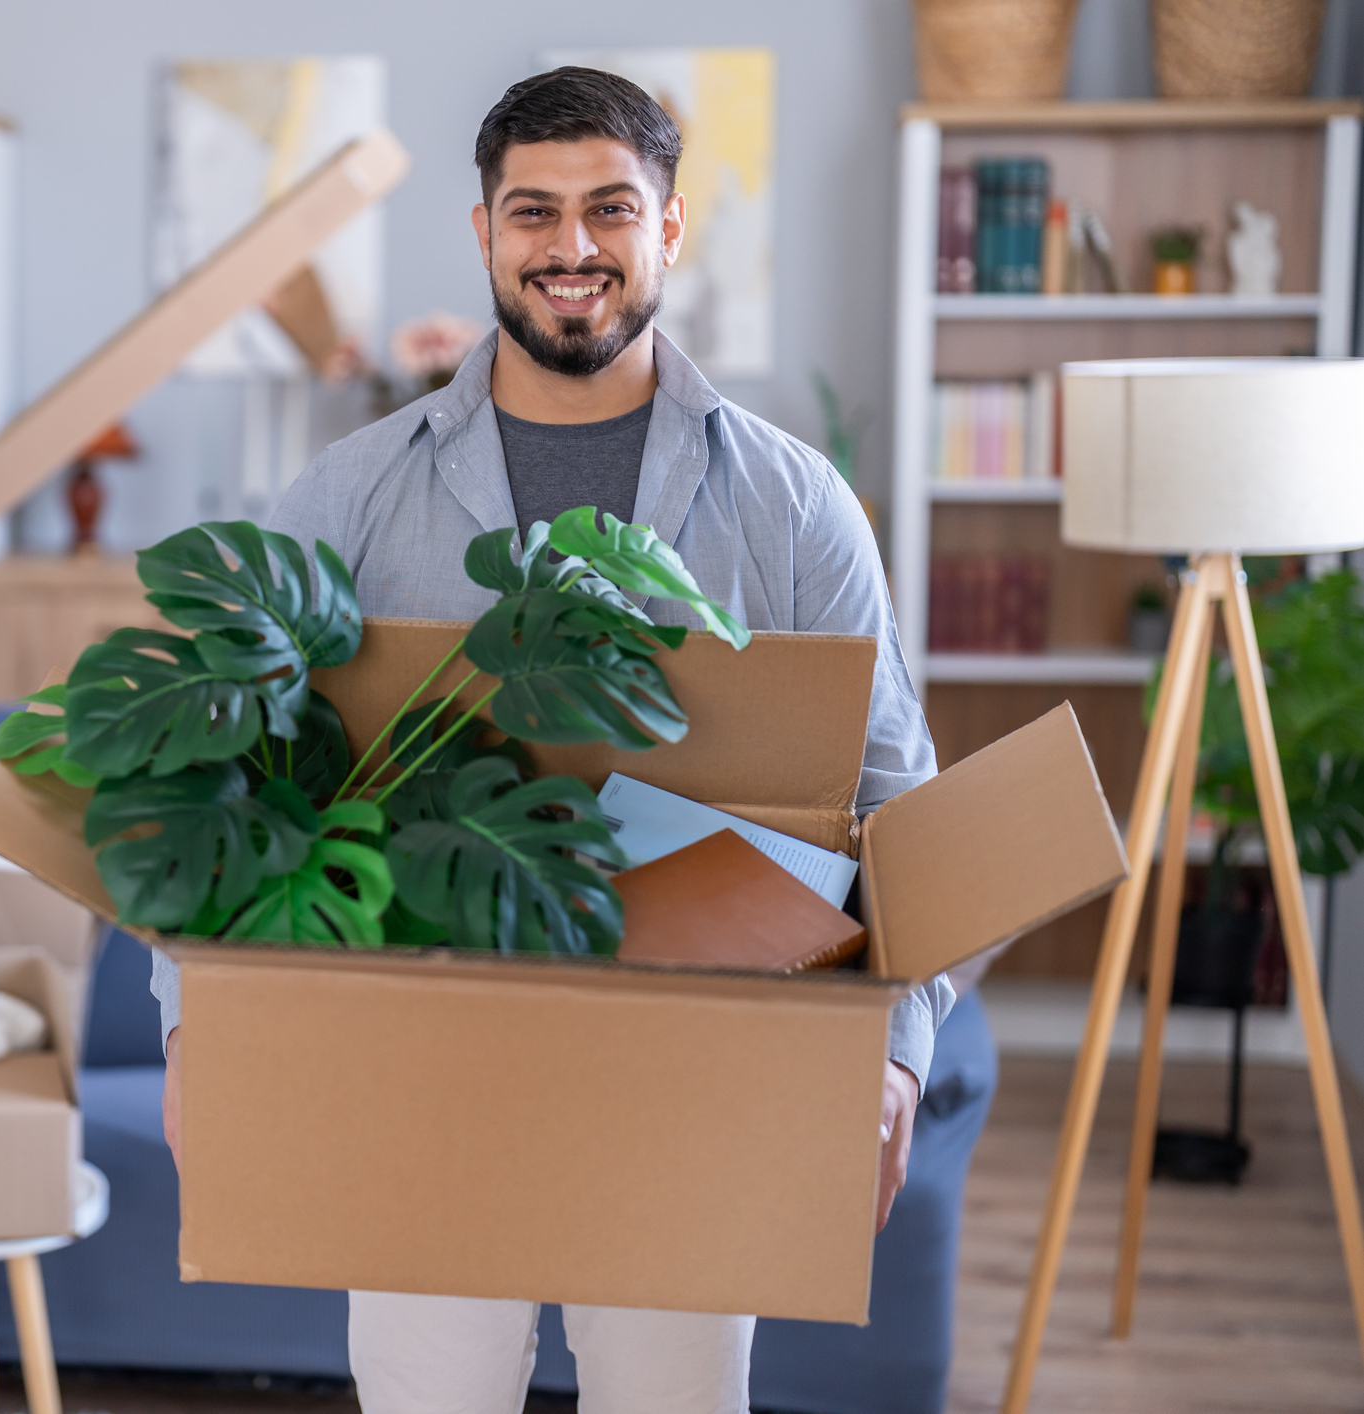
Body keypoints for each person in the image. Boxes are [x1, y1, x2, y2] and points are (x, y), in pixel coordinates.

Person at [150, 66, 954, 1414]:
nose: (570, 246)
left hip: (699, 1073)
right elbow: (223, 774)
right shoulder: (348, 496)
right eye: (533, 211)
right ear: (481, 233)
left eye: (608, 209)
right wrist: (191, 1025)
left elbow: (892, 793)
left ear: (669, 229)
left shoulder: (793, 503)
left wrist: (894, 1045)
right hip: (416, 1067)